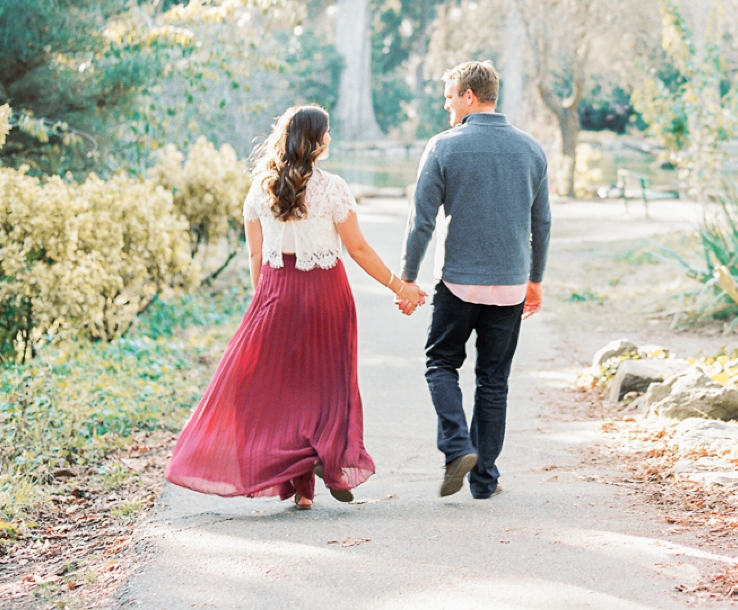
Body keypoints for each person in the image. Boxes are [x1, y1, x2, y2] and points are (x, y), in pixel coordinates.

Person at [166, 104, 427, 510]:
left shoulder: (260, 187)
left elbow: (256, 256)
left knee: (282, 391)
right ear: (319, 141)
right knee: (327, 385)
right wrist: (400, 286)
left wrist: (263, 303)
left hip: (276, 295)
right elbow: (356, 248)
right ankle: (324, 457)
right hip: (326, 297)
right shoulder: (332, 187)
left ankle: (303, 489)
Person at [402, 60, 551, 500]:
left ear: (469, 96)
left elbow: (421, 221)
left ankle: (456, 447)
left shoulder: (444, 147)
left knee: (441, 364)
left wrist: (408, 277)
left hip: (458, 283)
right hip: (509, 285)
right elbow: (540, 223)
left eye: (450, 96)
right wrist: (535, 280)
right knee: (493, 379)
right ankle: (484, 480)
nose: (445, 104)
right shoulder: (532, 150)